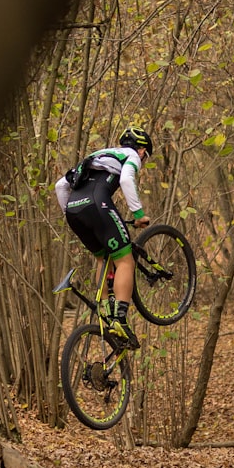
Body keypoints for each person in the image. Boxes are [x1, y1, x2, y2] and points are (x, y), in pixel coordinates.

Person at [55, 126, 153, 349]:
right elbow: (127, 181)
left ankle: (106, 308)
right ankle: (119, 318)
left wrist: (73, 214)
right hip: (97, 206)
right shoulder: (130, 156)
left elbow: (60, 186)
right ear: (141, 150)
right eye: (145, 157)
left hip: (74, 212)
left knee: (103, 258)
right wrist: (138, 214)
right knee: (125, 259)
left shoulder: (97, 155)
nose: (143, 161)